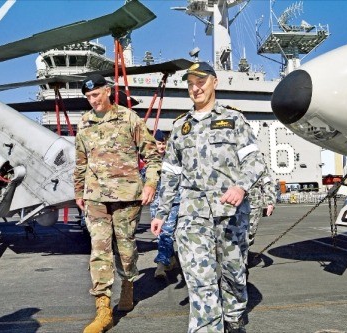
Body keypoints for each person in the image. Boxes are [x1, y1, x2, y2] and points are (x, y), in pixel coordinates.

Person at [150, 62, 265, 333]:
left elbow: (255, 161)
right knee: (199, 279)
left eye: (200, 81)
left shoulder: (234, 120)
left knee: (233, 273)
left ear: (215, 82)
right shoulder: (180, 127)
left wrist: (241, 186)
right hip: (192, 214)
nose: (195, 87)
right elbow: (170, 174)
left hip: (230, 213)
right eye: (190, 83)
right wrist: (161, 213)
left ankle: (235, 316)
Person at [74, 74, 161, 333]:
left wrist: (151, 184)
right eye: (88, 97)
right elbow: (80, 161)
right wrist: (79, 191)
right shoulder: (85, 122)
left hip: (127, 196)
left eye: (96, 95)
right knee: (99, 248)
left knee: (125, 249)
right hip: (95, 197)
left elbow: (152, 154)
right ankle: (103, 310)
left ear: (108, 92)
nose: (93, 101)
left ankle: (128, 284)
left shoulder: (129, 119)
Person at [149, 129, 180, 279]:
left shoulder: (172, 159)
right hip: (155, 203)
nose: (161, 146)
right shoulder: (149, 160)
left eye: (163, 143)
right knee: (162, 234)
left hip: (173, 202)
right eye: (159, 143)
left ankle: (160, 265)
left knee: (166, 232)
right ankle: (171, 259)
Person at [247, 161, 276, 247]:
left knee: (249, 234)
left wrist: (270, 202)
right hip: (228, 204)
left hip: (252, 204)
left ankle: (245, 257)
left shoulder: (254, 159)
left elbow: (267, 181)